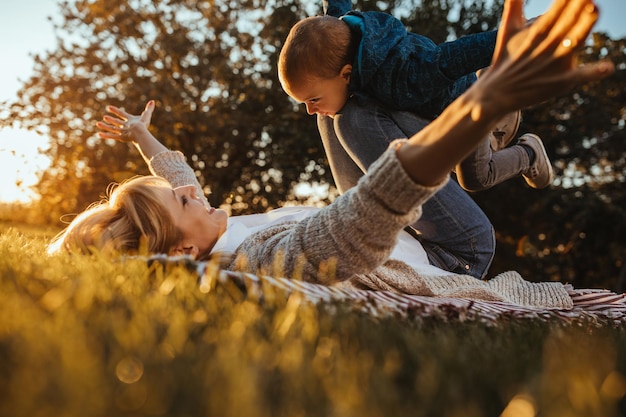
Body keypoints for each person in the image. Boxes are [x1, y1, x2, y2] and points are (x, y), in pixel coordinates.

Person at [49, 0, 613, 307]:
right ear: (186, 249)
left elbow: (177, 174)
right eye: (179, 200)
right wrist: (477, 109)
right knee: (348, 110)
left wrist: (143, 138)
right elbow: (352, 230)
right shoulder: (258, 261)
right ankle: (512, 140)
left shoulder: (210, 229)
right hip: (454, 250)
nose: (187, 187)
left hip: (403, 222)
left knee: (343, 108)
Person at [278, 0, 554, 190]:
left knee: (476, 177)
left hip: (469, 110)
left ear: (347, 74)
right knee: (338, 117)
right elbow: (336, 7)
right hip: (431, 113)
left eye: (313, 100)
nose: (310, 110)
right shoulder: (340, 38)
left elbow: (454, 56)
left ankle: (528, 152)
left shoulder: (406, 74)